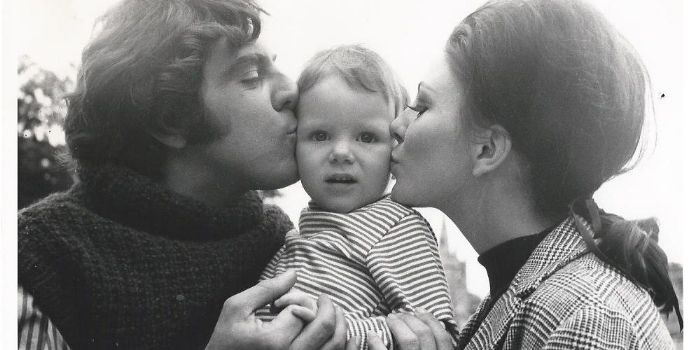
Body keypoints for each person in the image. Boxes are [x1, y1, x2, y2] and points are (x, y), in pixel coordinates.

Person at [17, 0, 346, 349]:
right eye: (251, 76)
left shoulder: (287, 243)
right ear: (170, 119)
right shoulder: (36, 257)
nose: (291, 90)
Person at [383, 0, 682, 348]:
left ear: (488, 150)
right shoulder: (537, 295)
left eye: (421, 107)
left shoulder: (588, 315)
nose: (396, 124)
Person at [255, 45, 459, 349]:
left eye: (366, 137)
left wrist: (341, 332)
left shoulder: (395, 227)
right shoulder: (295, 238)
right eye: (320, 135)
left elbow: (432, 331)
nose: (340, 153)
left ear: (394, 149)